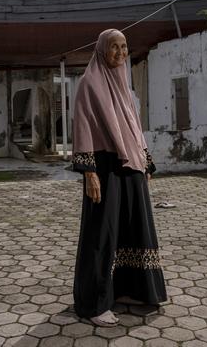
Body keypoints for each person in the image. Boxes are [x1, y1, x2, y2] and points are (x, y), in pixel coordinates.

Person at [72, 28, 167, 327]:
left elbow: (135, 127)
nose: (120, 52)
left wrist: (144, 164)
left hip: (131, 165)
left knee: (133, 226)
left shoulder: (124, 84)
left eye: (124, 47)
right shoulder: (90, 83)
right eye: (114, 47)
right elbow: (84, 126)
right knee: (103, 233)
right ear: (102, 49)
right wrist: (89, 172)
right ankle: (94, 303)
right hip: (104, 165)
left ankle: (130, 289)